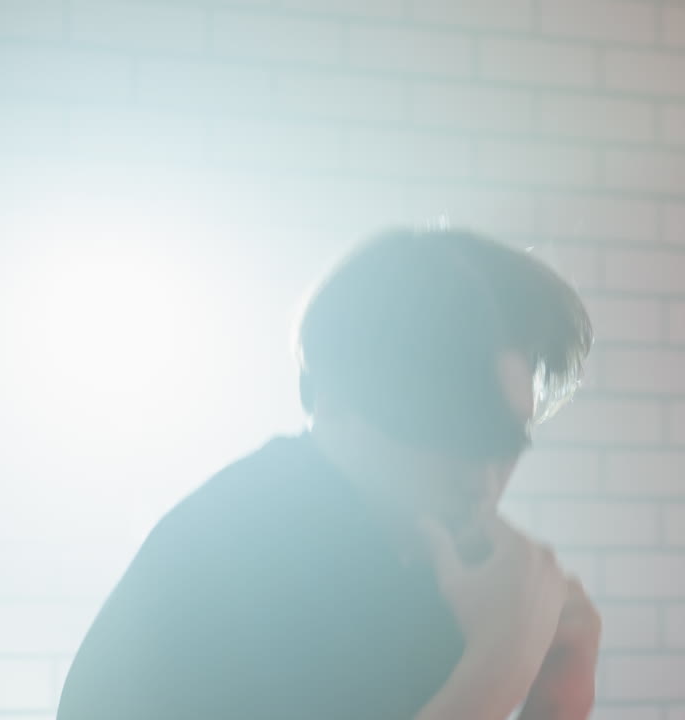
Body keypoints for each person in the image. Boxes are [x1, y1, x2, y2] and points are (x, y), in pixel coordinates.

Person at [56, 227, 600, 720]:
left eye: (504, 446)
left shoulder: (425, 562)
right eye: (448, 435)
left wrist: (559, 691)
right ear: (338, 401)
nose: (481, 482)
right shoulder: (245, 554)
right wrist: (496, 673)